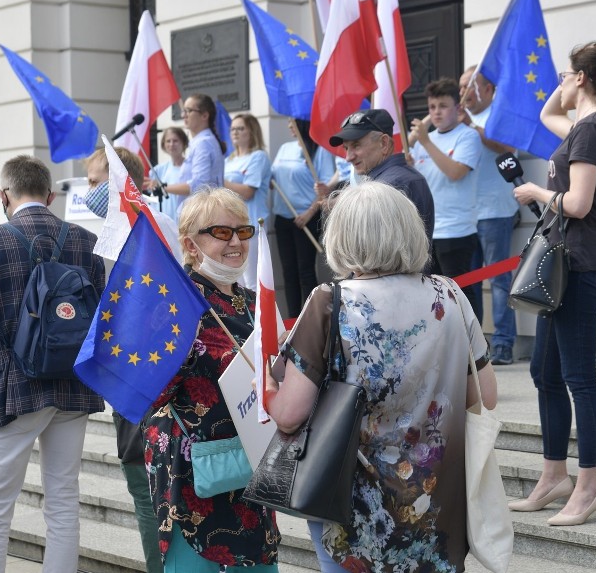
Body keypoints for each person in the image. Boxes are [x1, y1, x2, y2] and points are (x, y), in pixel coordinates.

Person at [265, 182, 497, 572]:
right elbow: (485, 397)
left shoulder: (329, 301)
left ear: (342, 237)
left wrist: (268, 387)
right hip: (438, 507)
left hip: (351, 509)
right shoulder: (451, 295)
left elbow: (290, 414)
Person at [510, 42, 596, 526]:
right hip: (572, 265)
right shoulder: (591, 126)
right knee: (546, 374)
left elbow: (580, 203)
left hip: (579, 266)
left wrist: (536, 192)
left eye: (566, 74)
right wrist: (566, 89)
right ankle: (553, 477)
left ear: (583, 79)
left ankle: (588, 488)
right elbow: (549, 115)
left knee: (579, 379)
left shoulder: (592, 128)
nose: (560, 82)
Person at [0, 155, 106, 572]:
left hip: (14, 386)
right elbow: (99, 317)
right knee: (63, 500)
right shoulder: (84, 240)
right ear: (51, 195)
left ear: (5, 195)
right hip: (74, 385)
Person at [143, 188, 280, 572]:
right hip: (196, 476)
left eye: (242, 231)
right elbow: (150, 393)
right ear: (189, 244)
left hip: (252, 470)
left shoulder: (254, 301)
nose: (235, 242)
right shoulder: (175, 304)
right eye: (220, 232)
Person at [85, 145, 177, 573]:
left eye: (95, 181)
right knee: (143, 484)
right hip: (131, 374)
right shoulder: (112, 230)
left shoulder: (151, 227)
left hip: (151, 373)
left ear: (122, 180)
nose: (89, 191)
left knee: (148, 489)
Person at [459, 66, 520, 365]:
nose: (463, 94)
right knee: (468, 283)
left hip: (495, 209)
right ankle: (475, 347)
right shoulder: (459, 121)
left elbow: (507, 149)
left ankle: (505, 343)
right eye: (460, 88)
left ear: (489, 89)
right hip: (466, 214)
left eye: (469, 86)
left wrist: (471, 127)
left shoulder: (501, 115)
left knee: (498, 279)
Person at [410, 77, 484, 321]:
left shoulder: (467, 136)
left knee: (460, 292)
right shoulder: (424, 140)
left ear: (458, 108)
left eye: (442, 106)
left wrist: (426, 141)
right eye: (432, 108)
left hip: (457, 230)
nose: (436, 112)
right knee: (431, 296)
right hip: (427, 230)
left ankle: (474, 349)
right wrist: (417, 140)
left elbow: (455, 172)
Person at [329, 108, 434, 241]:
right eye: (346, 148)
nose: (348, 157)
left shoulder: (390, 185)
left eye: (356, 145)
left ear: (384, 143)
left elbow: (378, 251)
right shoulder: (397, 179)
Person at [271, 118, 334, 316]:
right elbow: (273, 177)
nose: (289, 125)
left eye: (293, 122)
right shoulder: (284, 148)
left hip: (306, 219)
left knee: (305, 272)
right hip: (283, 216)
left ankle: (310, 319)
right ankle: (292, 320)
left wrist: (308, 213)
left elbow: (325, 189)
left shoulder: (319, 150)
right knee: (288, 273)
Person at [83, 146, 182, 260]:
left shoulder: (148, 225)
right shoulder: (126, 224)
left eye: (94, 182)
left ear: (119, 181)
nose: (90, 190)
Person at [223, 113, 271, 290]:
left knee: (253, 281)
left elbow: (248, 191)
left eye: (240, 128)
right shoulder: (228, 160)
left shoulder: (258, 156)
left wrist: (220, 181)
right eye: (233, 129)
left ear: (251, 131)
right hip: (231, 227)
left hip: (251, 226)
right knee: (237, 279)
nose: (235, 132)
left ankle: (258, 318)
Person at [157, 94, 226, 208]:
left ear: (204, 115)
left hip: (201, 216)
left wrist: (163, 187)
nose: (183, 115)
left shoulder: (203, 143)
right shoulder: (201, 141)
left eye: (188, 111)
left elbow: (199, 186)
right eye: (183, 111)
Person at [150, 126, 189, 221]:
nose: (171, 144)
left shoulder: (190, 167)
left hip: (184, 220)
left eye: (175, 141)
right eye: (168, 141)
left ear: (183, 143)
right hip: (164, 222)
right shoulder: (157, 170)